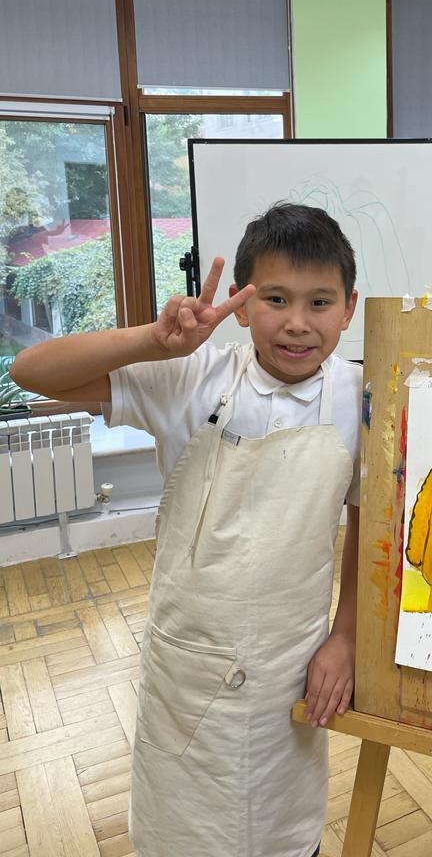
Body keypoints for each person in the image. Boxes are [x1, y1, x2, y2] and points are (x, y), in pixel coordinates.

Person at [10, 203, 363, 857]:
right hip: (188, 665)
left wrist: (345, 637)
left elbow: (370, 529)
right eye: (276, 299)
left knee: (283, 835)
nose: (297, 322)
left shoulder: (359, 399)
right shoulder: (193, 377)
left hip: (288, 664)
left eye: (320, 302)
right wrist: (152, 340)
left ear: (349, 308)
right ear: (242, 304)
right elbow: (30, 371)